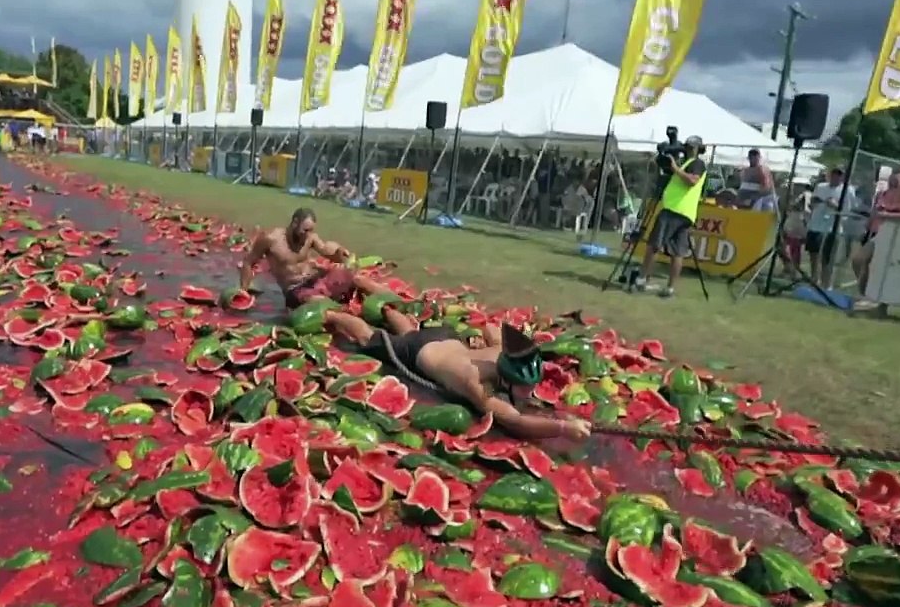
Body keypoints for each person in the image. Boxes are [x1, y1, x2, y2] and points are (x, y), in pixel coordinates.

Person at [326, 307, 592, 441]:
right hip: (418, 352)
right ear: (505, 377)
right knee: (368, 338)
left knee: (410, 333)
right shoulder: (478, 384)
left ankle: (389, 310)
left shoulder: (500, 352)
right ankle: (332, 315)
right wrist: (562, 428)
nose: (530, 392)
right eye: (523, 387)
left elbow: (490, 329)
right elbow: (516, 422)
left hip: (444, 336)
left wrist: (481, 341)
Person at [239, 207, 384, 309]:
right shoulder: (270, 239)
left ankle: (392, 300)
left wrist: (340, 252)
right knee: (320, 303)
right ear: (295, 223)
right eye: (305, 230)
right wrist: (243, 290)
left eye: (311, 230)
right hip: (296, 290)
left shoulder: (310, 237)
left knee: (357, 279)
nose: (308, 234)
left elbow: (327, 251)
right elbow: (248, 262)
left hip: (317, 280)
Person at [632, 135, 709, 299]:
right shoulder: (686, 163)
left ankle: (641, 280)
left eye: (691, 147)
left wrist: (675, 168)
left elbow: (692, 181)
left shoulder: (697, 163)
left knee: (654, 245)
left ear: (698, 149)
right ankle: (670, 289)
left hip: (675, 210)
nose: (687, 149)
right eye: (687, 146)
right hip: (684, 213)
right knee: (677, 252)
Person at [851, 166, 900, 301]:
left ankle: (875, 299)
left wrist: (885, 215)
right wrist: (873, 221)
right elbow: (879, 209)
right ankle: (865, 295)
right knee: (858, 260)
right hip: (884, 232)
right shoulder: (893, 192)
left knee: (884, 269)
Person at [804, 167, 857, 288]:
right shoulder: (821, 187)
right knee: (813, 253)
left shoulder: (847, 190)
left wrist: (835, 206)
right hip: (816, 224)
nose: (835, 177)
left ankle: (826, 284)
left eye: (839, 175)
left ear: (843, 177)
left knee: (827, 258)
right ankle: (814, 279)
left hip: (833, 227)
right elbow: (812, 203)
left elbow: (848, 210)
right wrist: (814, 202)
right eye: (833, 174)